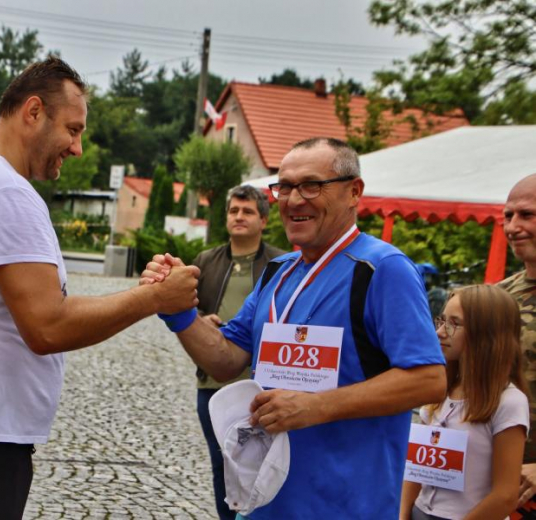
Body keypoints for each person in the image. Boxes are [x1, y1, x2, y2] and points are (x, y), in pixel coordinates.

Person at [0, 57, 200, 520]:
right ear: (33, 111)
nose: (77, 148)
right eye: (72, 130)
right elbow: (47, 326)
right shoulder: (2, 190)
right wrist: (154, 298)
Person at [143, 137, 446, 518]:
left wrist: (315, 406)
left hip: (344, 507)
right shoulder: (278, 272)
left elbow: (428, 379)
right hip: (263, 504)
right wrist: (179, 311)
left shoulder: (383, 269)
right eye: (284, 187)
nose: (293, 199)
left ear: (354, 192)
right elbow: (225, 359)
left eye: (311, 185)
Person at [192, 185, 284, 520]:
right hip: (213, 383)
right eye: (233, 211)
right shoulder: (206, 261)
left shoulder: (281, 264)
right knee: (223, 464)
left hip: (261, 386)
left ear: (263, 220)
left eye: (247, 211)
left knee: (265, 465)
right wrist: (201, 321)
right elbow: (187, 306)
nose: (239, 217)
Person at [401, 285, 529, 520]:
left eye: (454, 324)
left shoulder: (509, 402)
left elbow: (505, 495)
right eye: (441, 321)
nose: (440, 332)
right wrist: (403, 514)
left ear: (487, 333)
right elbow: (417, 471)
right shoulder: (440, 390)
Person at [497, 173, 536, 510]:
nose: (512, 227)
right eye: (508, 216)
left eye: (527, 215)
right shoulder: (498, 297)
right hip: (498, 481)